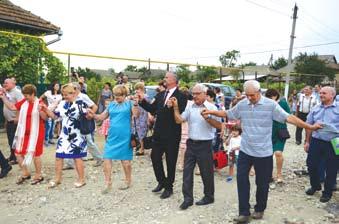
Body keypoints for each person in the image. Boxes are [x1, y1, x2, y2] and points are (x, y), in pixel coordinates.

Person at [202, 80, 322, 223]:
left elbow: (288, 118)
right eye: (247, 95)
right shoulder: (243, 104)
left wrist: (310, 126)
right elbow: (228, 113)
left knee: (262, 183)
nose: (250, 98)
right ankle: (244, 212)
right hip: (246, 150)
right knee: (242, 181)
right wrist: (211, 112)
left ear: (259, 92)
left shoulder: (271, 105)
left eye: (252, 95)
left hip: (264, 152)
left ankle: (259, 209)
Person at [169, 84, 222, 210]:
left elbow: (219, 126)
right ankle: (188, 199)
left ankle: (209, 197)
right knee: (187, 172)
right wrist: (175, 108)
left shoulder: (212, 107)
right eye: (193, 93)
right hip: (191, 143)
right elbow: (179, 120)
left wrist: (208, 118)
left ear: (204, 93)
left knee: (206, 173)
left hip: (205, 144)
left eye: (197, 93)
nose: (195, 96)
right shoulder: (190, 106)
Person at [137, 71, 187, 199]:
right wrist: (142, 101)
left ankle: (169, 187)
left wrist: (173, 106)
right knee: (155, 158)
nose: (164, 78)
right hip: (158, 133)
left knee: (171, 162)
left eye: (166, 77)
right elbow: (152, 109)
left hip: (172, 134)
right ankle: (162, 181)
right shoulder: (160, 95)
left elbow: (180, 113)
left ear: (174, 80)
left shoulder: (181, 96)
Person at [88, 85, 139, 193]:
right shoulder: (111, 105)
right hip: (112, 136)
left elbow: (136, 115)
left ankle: (128, 181)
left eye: (119, 95)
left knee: (125, 162)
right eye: (115, 95)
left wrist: (135, 103)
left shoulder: (129, 104)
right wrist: (93, 115)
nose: (117, 97)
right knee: (107, 158)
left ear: (125, 95)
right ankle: (108, 183)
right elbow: (101, 117)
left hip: (125, 136)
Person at [41, 84, 87, 188]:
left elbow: (87, 117)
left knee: (77, 157)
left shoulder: (80, 103)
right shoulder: (62, 104)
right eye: (63, 94)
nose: (65, 96)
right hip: (64, 134)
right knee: (59, 156)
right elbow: (55, 116)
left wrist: (89, 114)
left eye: (67, 94)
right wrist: (45, 109)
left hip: (77, 134)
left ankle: (81, 179)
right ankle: (57, 178)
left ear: (74, 93)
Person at [0, 84, 47, 185]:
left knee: (36, 154)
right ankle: (25, 173)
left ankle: (39, 175)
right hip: (24, 133)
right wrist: (3, 98)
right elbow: (12, 107)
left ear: (33, 94)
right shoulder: (24, 102)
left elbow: (45, 118)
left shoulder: (40, 103)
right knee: (18, 153)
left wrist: (41, 110)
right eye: (24, 95)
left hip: (37, 133)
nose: (25, 97)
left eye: (27, 95)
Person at [304, 86, 339, 203]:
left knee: (331, 168)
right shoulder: (316, 108)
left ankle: (327, 192)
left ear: (332, 95)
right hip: (316, 141)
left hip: (334, 142)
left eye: (324, 93)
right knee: (311, 164)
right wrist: (307, 141)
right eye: (320, 93)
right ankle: (315, 185)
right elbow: (308, 125)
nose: (321, 95)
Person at [265, 89, 291, 183]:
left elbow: (289, 115)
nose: (270, 98)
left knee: (278, 153)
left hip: (280, 131)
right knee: (268, 155)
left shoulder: (283, 103)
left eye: (271, 96)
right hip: (268, 132)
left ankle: (279, 174)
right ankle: (269, 174)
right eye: (268, 97)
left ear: (276, 96)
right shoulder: (266, 104)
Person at [1, 78, 24, 164]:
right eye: (4, 83)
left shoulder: (17, 93)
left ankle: (16, 158)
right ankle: (12, 156)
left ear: (12, 84)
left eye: (6, 83)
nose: (4, 84)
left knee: (15, 140)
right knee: (10, 140)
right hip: (9, 121)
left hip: (15, 121)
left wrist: (17, 118)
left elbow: (21, 105)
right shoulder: (7, 93)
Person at [40, 81, 62, 147]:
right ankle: (45, 140)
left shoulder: (60, 95)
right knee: (48, 126)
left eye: (58, 86)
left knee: (53, 125)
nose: (58, 87)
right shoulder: (48, 92)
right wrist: (43, 105)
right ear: (53, 86)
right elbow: (40, 98)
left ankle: (50, 139)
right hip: (48, 111)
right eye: (56, 85)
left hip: (56, 112)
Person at [132, 82, 148, 156]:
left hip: (143, 116)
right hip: (138, 116)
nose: (136, 90)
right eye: (136, 89)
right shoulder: (137, 96)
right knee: (137, 131)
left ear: (141, 89)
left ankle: (142, 148)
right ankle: (139, 146)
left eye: (138, 89)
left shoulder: (145, 96)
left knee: (142, 132)